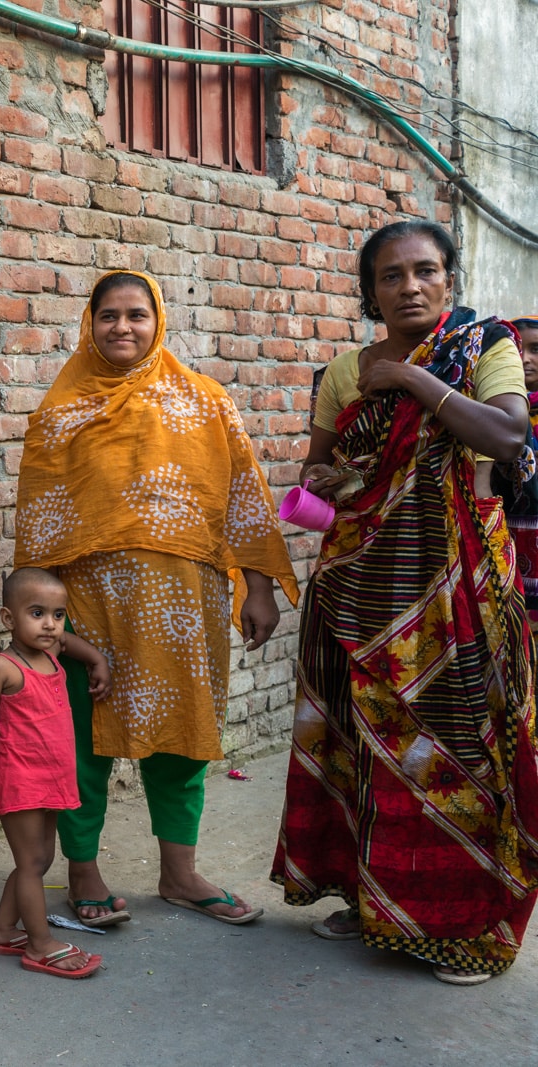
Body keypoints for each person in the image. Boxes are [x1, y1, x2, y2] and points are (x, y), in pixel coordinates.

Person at [273, 221, 538, 985]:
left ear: (450, 279)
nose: (409, 287)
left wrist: (417, 381)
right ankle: (371, 896)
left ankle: (469, 923)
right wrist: (321, 489)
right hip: (359, 593)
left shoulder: (483, 346)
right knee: (366, 746)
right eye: (391, 276)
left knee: (459, 747)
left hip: (459, 592)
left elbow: (508, 435)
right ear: (372, 292)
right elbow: (315, 485)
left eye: (425, 271)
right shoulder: (343, 372)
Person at [14, 269, 297, 927]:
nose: (122, 327)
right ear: (90, 323)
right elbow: (40, 520)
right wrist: (40, 621)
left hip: (184, 607)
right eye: (108, 315)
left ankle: (180, 871)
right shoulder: (62, 414)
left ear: (158, 320)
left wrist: (257, 586)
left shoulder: (205, 402)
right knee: (83, 741)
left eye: (135, 314)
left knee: (185, 738)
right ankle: (83, 872)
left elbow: (244, 496)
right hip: (87, 607)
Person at [0, 568, 112, 980]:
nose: (50, 624)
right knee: (29, 863)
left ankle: (3, 930)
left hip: (54, 777)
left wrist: (95, 658)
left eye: (58, 615)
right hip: (20, 778)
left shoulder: (53, 653)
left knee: (40, 859)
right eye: (37, 613)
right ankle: (40, 944)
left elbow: (67, 643)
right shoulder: (3, 667)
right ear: (9, 618)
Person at [492, 314, 538, 621]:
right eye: (517, 348)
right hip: (501, 545)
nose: (525, 359)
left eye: (536, 349)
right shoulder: (485, 412)